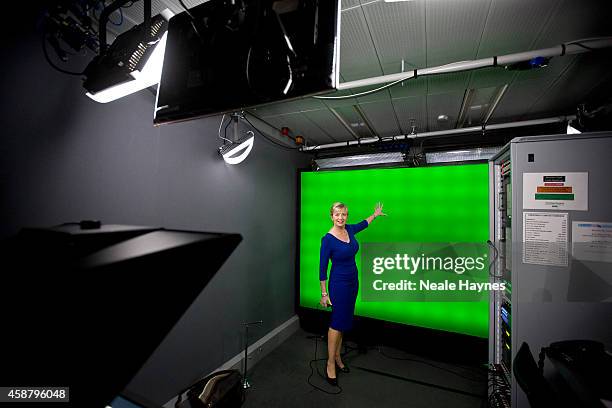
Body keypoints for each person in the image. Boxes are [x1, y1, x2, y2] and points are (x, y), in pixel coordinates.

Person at [319, 201, 386, 386]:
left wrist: (375, 214)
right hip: (338, 284)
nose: (341, 218)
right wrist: (324, 294)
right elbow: (322, 269)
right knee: (336, 323)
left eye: (344, 214)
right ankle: (330, 363)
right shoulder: (327, 239)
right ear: (331, 216)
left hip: (352, 282)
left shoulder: (349, 229)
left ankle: (338, 357)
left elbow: (363, 224)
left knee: (343, 322)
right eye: (337, 215)